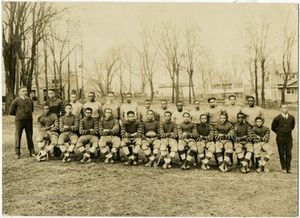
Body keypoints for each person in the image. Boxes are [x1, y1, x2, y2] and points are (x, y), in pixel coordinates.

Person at [9, 86, 35, 158]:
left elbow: (32, 109)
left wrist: (27, 115)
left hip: (29, 120)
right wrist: (19, 115)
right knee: (18, 136)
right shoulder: (16, 101)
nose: (25, 92)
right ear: (19, 92)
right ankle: (17, 152)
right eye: (23, 91)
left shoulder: (30, 100)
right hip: (19, 121)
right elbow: (11, 111)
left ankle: (32, 151)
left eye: (26, 91)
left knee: (29, 136)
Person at [271, 104, 295, 174]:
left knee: (289, 153)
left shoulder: (291, 117)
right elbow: (273, 127)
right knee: (281, 153)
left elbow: (292, 126)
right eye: (283, 108)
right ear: (280, 109)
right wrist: (279, 133)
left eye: (286, 108)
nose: (285, 109)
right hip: (280, 138)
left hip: (288, 137)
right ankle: (283, 167)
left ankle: (288, 167)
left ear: (288, 108)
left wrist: (287, 131)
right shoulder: (277, 118)